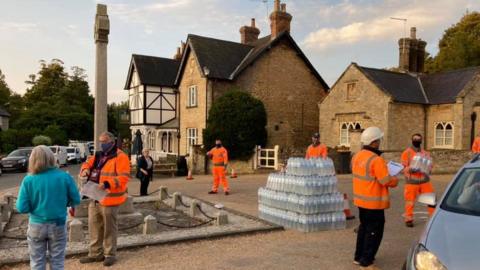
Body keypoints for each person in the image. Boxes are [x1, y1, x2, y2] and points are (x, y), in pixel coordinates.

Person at [16, 145, 81, 270]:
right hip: (58, 223)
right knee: (57, 261)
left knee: (36, 262)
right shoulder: (64, 177)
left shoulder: (28, 180)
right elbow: (76, 200)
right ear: (52, 158)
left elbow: (22, 208)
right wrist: (64, 202)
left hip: (36, 224)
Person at [79, 131, 131, 267]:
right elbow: (86, 164)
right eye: (100, 142)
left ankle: (109, 254)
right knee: (94, 227)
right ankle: (95, 253)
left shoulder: (121, 157)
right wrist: (84, 170)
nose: (102, 144)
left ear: (112, 142)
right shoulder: (98, 155)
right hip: (95, 197)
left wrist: (107, 183)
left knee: (109, 229)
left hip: (110, 199)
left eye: (104, 142)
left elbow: (124, 177)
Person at [352, 127, 398, 270]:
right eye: (378, 140)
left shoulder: (357, 156)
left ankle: (358, 257)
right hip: (374, 203)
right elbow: (385, 181)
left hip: (361, 201)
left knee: (363, 229)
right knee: (373, 233)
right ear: (374, 142)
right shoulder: (376, 160)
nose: (380, 142)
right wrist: (394, 179)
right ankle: (366, 262)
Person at [401, 133, 435, 228]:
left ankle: (433, 219)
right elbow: (403, 168)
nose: (417, 140)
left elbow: (430, 166)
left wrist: (428, 168)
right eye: (415, 139)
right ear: (412, 140)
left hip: (425, 181)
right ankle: (409, 219)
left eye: (418, 139)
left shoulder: (425, 153)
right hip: (411, 182)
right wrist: (410, 169)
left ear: (421, 141)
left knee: (431, 201)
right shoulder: (406, 153)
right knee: (410, 202)